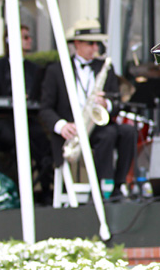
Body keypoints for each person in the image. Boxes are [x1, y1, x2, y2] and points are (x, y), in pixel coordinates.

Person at [39, 19, 136, 197]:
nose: (95, 48)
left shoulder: (105, 67)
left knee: (128, 132)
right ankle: (99, 190)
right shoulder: (56, 71)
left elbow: (117, 103)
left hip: (98, 125)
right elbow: (45, 108)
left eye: (97, 43)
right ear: (77, 43)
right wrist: (62, 126)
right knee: (109, 134)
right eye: (90, 43)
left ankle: (118, 185)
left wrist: (106, 104)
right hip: (73, 129)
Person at [0, 25, 53, 204]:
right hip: (2, 121)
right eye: (25, 37)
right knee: (19, 141)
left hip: (27, 119)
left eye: (29, 37)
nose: (29, 40)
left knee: (44, 143)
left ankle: (46, 189)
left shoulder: (34, 69)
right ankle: (18, 192)